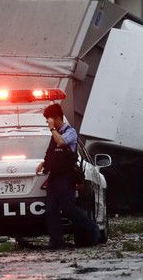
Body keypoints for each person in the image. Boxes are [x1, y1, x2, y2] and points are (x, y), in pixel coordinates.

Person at [35, 103, 99, 249]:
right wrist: (44, 163)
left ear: (57, 118)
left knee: (69, 209)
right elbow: (52, 152)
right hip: (54, 177)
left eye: (49, 120)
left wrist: (52, 129)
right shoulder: (55, 134)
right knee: (51, 211)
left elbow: (61, 142)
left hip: (66, 177)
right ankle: (56, 242)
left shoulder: (70, 132)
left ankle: (92, 230)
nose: (48, 123)